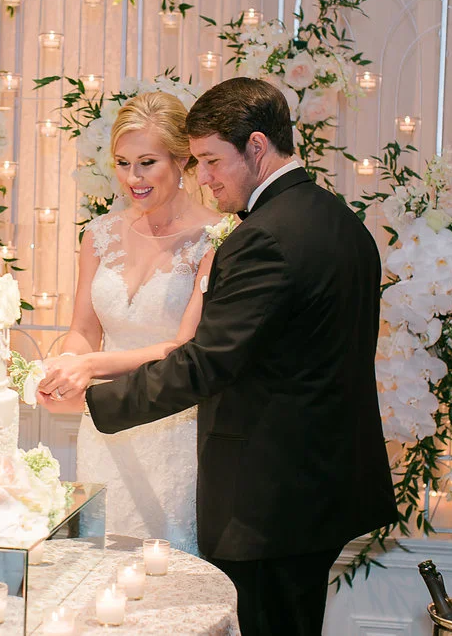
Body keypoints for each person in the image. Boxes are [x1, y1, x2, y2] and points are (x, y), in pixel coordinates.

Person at [41, 77, 397, 636]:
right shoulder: (340, 221)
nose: (204, 177)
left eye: (210, 161)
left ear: (256, 147)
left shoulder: (261, 237)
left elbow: (207, 360)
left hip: (272, 496)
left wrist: (97, 398)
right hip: (322, 483)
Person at [42, 90, 220, 555]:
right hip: (104, 427)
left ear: (182, 160)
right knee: (99, 558)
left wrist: (90, 365)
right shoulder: (99, 234)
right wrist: (65, 367)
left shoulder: (217, 237)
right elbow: (84, 329)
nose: (133, 178)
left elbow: (184, 347)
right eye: (123, 164)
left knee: (167, 563)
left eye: (147, 163)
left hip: (172, 423)